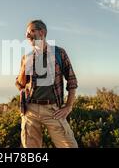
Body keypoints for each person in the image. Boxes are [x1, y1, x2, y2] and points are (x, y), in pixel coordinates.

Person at [15, 19, 79, 148]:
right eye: (26, 33)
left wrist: (68, 107)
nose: (27, 36)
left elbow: (72, 81)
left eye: (31, 31)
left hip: (53, 110)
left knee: (69, 145)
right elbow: (20, 85)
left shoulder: (59, 53)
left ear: (42, 32)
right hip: (30, 110)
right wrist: (23, 69)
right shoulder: (27, 57)